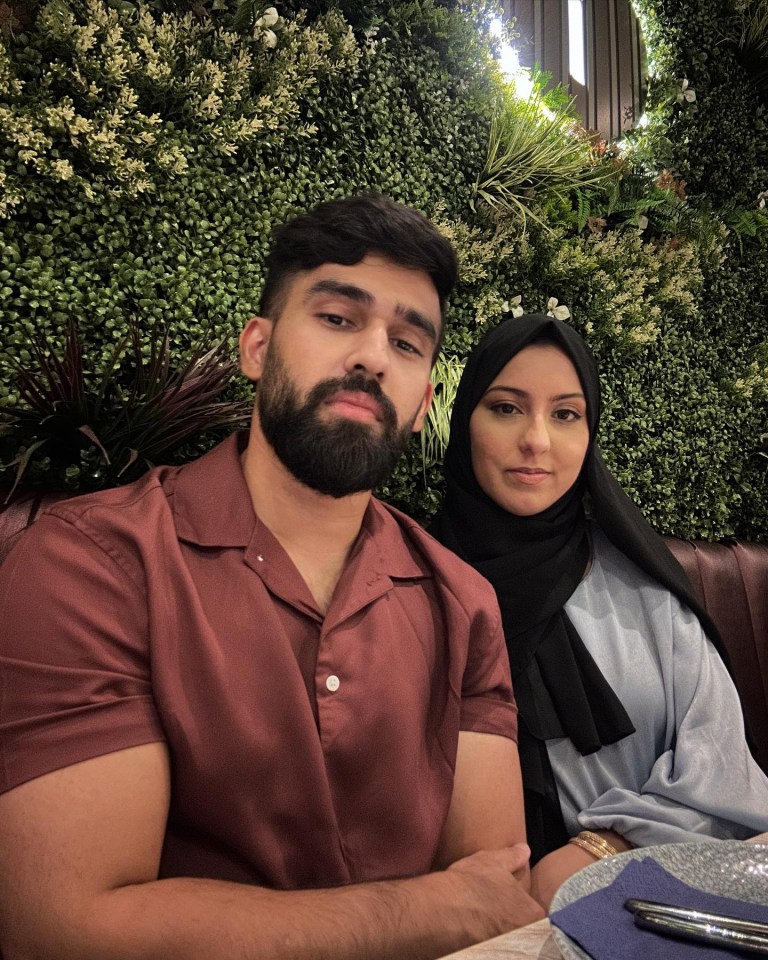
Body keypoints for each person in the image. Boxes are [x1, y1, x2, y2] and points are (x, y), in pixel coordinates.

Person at [0, 195, 545, 960]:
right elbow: (64, 929)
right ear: (257, 347)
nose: (372, 355)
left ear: (424, 404)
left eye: (408, 341)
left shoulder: (463, 602)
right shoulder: (91, 565)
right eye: (336, 318)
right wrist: (417, 911)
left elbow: (492, 903)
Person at [431, 312, 768, 910]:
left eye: (565, 414)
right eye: (506, 407)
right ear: (464, 423)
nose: (536, 439)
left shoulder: (641, 585)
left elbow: (723, 772)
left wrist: (597, 848)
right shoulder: (415, 587)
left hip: (655, 905)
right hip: (468, 925)